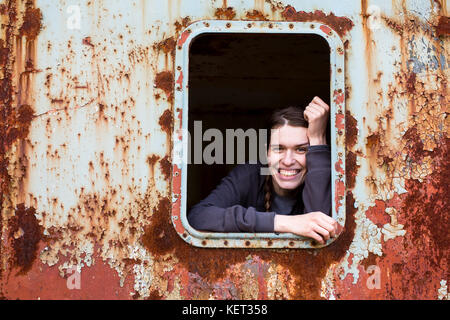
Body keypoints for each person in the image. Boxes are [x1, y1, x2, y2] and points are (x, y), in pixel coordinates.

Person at [188, 96, 338, 245]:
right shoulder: (250, 174)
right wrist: (284, 223)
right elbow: (198, 217)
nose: (288, 161)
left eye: (301, 149)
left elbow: (321, 230)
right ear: (266, 153)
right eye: (279, 149)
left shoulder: (329, 177)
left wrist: (318, 141)